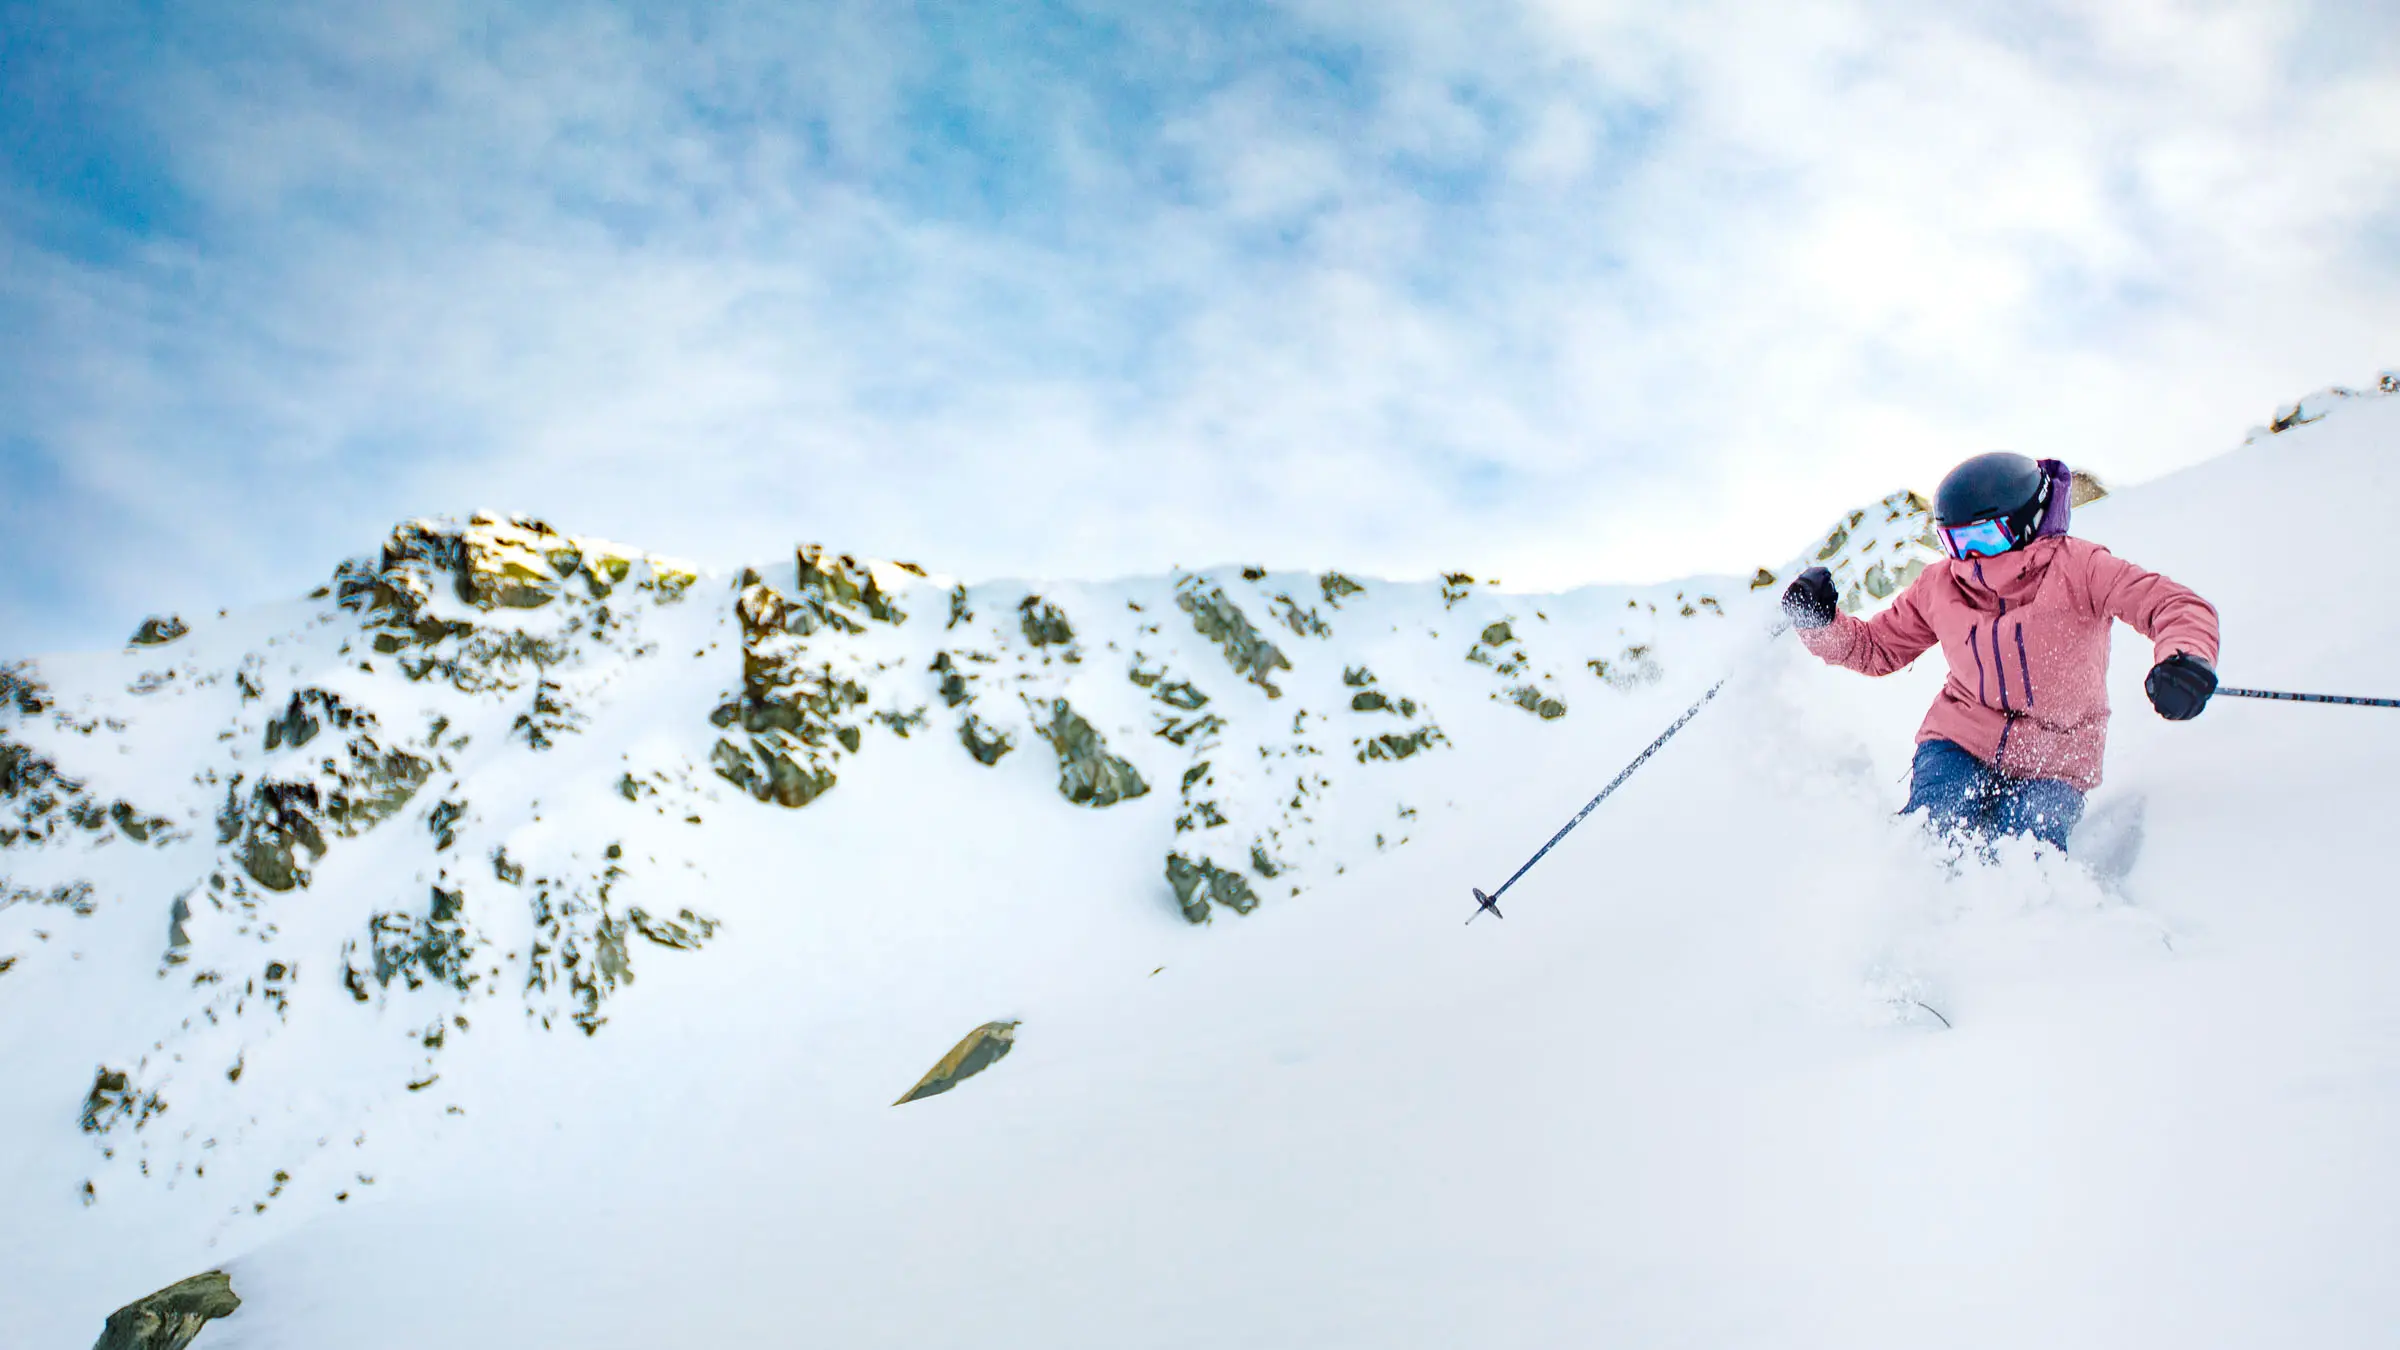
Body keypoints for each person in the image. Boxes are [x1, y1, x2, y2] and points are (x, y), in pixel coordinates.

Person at [1781, 453, 2220, 854]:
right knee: (1933, 834)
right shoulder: (1940, 585)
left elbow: (2173, 605)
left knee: (2023, 850)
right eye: (1956, 542)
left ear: (2027, 523)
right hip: (1959, 741)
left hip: (2055, 758)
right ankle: (1912, 904)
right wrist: (1818, 622)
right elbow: (1875, 648)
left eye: (1985, 538)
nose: (1971, 555)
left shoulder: (2081, 568)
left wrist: (2185, 659)